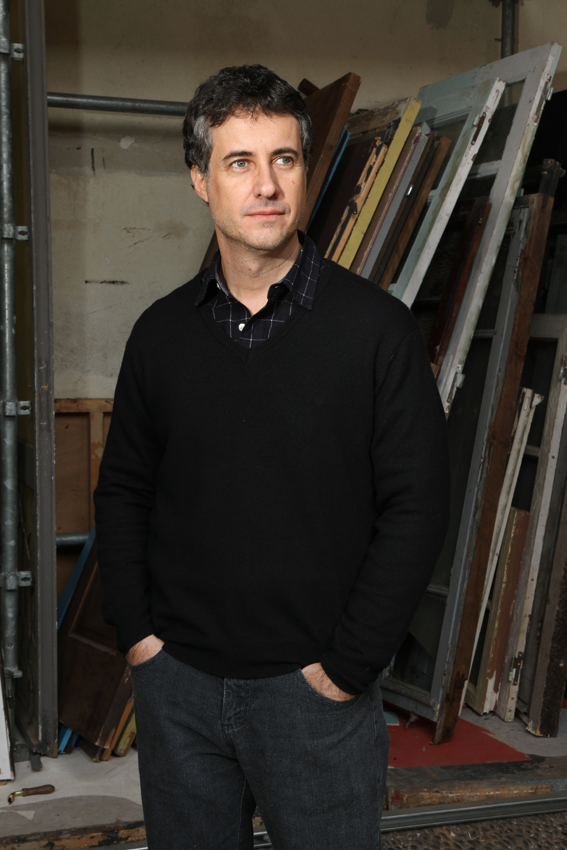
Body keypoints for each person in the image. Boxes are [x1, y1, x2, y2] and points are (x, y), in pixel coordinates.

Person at [94, 63, 450, 850]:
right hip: (178, 690)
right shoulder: (160, 335)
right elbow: (122, 490)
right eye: (239, 162)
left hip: (314, 697)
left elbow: (418, 504)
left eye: (283, 159)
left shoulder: (375, 332)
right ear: (200, 181)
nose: (266, 185)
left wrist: (347, 667)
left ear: (304, 171)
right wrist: (141, 639)